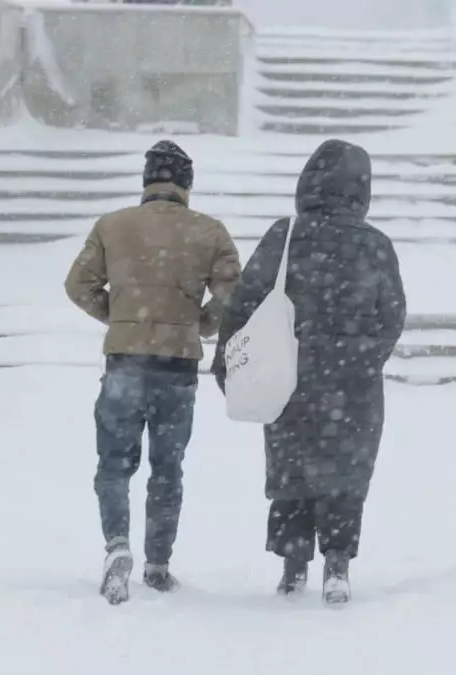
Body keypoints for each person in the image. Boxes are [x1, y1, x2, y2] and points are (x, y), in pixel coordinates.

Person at [210, 139, 406, 606]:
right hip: (352, 386)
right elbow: (393, 315)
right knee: (345, 473)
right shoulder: (375, 245)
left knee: (292, 470)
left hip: (288, 376)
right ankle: (337, 564)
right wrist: (362, 358)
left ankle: (292, 566)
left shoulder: (286, 234)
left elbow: (246, 302)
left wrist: (227, 364)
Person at [65, 140, 241, 605]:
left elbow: (76, 284)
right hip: (177, 367)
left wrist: (120, 318)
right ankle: (158, 565)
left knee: (114, 466)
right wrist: (198, 323)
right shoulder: (210, 231)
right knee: (167, 468)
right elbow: (231, 297)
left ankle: (117, 545)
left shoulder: (112, 226)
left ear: (147, 182)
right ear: (186, 184)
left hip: (124, 362)